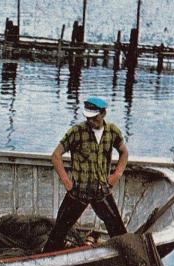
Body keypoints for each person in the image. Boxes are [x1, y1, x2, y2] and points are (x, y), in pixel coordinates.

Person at [43, 96, 129, 253]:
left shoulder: (113, 132)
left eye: (94, 118)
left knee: (119, 231)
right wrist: (66, 181)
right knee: (58, 231)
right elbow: (56, 156)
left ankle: (123, 257)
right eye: (88, 118)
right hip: (78, 191)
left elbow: (124, 152)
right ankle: (46, 261)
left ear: (103, 114)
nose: (91, 121)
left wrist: (117, 174)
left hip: (101, 190)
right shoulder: (77, 131)